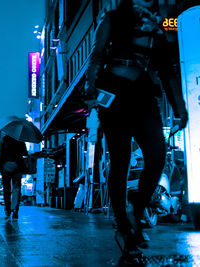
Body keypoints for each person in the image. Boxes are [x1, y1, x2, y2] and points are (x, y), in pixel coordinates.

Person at [84, 0, 188, 259]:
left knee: (157, 155)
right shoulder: (111, 19)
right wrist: (90, 89)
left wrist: (179, 108)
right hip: (115, 95)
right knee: (120, 160)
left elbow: (167, 70)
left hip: (143, 97)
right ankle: (123, 225)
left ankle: (136, 211)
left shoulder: (157, 26)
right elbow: (95, 55)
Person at [0, 134, 28, 219]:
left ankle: (7, 210)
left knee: (6, 189)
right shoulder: (20, 139)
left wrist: (0, 166)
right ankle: (15, 209)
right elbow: (25, 153)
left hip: (6, 165)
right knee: (16, 188)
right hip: (17, 165)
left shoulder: (3, 140)